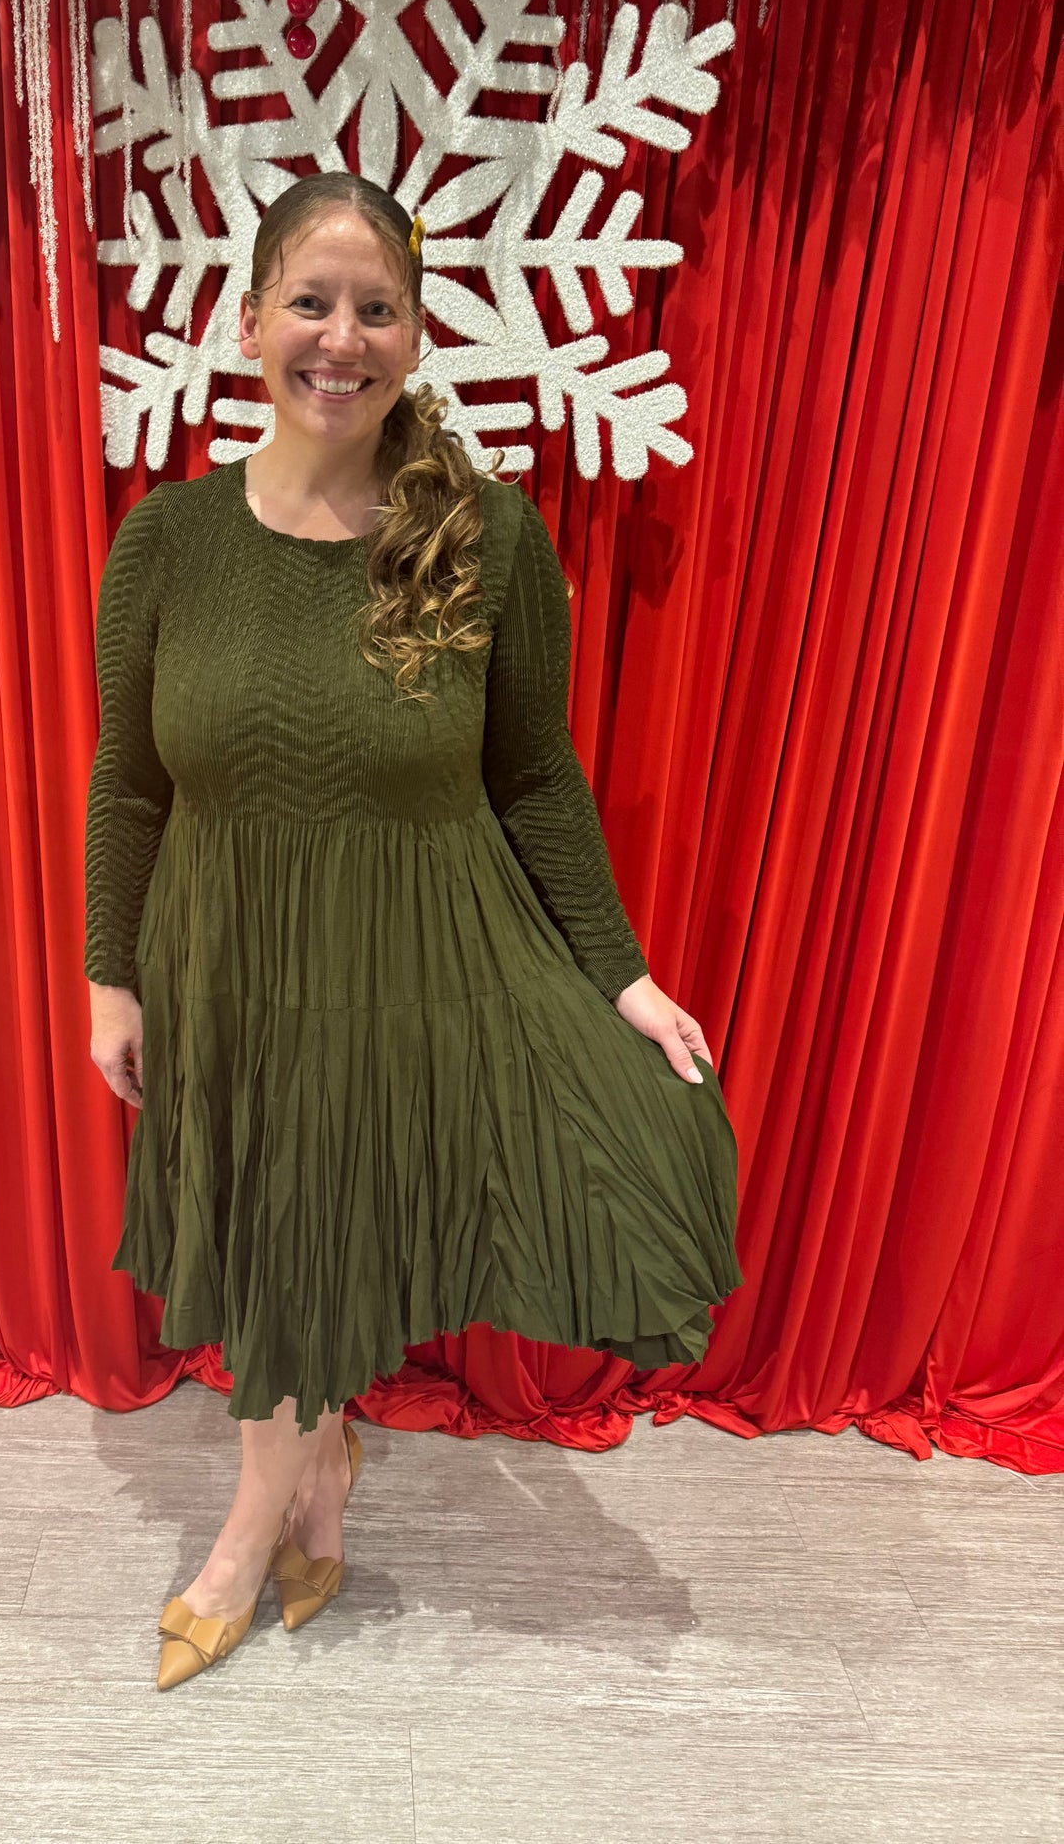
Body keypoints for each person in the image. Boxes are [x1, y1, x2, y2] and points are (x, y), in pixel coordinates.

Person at [83, 171, 741, 1692]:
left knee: (315, 1236)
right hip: (225, 958)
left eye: (375, 308)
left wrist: (623, 976)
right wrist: (111, 972)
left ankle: (248, 1533)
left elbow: (535, 778)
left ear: (417, 334)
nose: (341, 337)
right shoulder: (166, 541)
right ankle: (316, 1482)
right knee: (277, 1240)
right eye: (310, 303)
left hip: (404, 960)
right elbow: (128, 780)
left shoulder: (484, 537)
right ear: (250, 321)